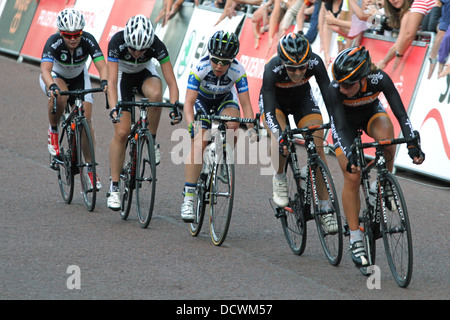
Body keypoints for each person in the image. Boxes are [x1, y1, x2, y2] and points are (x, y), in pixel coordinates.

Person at [329, 46, 425, 267]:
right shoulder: (335, 90)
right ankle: (355, 238)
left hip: (370, 113)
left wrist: (412, 144)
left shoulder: (379, 79)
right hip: (344, 125)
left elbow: (401, 114)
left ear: (363, 78)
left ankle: (382, 184)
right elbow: (340, 127)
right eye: (340, 83)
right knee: (352, 175)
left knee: (387, 138)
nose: (342, 89)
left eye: (348, 84)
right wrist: (351, 154)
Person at [260, 32, 338, 233]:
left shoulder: (315, 62)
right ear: (283, 63)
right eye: (292, 68)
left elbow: (330, 99)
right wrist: (279, 135)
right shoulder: (272, 69)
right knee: (281, 140)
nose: (297, 73)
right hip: (275, 104)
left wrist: (337, 125)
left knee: (318, 148)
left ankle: (325, 208)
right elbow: (268, 111)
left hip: (302, 101)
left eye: (302, 67)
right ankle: (279, 177)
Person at [180, 31, 256, 222]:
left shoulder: (238, 70)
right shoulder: (200, 67)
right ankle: (188, 199)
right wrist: (191, 125)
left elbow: (246, 104)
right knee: (199, 142)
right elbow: (188, 103)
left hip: (224, 100)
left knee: (234, 123)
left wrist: (252, 128)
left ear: (232, 60)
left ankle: (223, 158)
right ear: (210, 57)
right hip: (202, 103)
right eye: (215, 60)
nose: (219, 66)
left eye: (225, 62)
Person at [106, 14, 179, 211]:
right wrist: (114, 108)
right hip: (122, 77)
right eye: (133, 49)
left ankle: (151, 140)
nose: (137, 53)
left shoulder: (157, 44)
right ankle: (114, 188)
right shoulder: (117, 42)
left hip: (145, 74)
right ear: (126, 42)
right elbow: (111, 82)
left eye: (142, 50)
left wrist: (174, 106)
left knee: (156, 93)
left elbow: (171, 82)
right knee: (122, 132)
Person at [40, 8, 108, 190]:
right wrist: (51, 86)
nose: (72, 39)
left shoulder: (88, 40)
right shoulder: (53, 42)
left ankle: (91, 171)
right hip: (56, 75)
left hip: (79, 76)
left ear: (82, 32)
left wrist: (104, 81)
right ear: (61, 33)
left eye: (76, 35)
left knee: (86, 121)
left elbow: (102, 64)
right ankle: (53, 129)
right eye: (67, 35)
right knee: (61, 97)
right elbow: (45, 70)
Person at [376, 0, 434, 71]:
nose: (393, 0)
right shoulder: (410, 9)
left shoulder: (414, 7)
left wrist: (384, 62)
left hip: (431, 54)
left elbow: (404, 40)